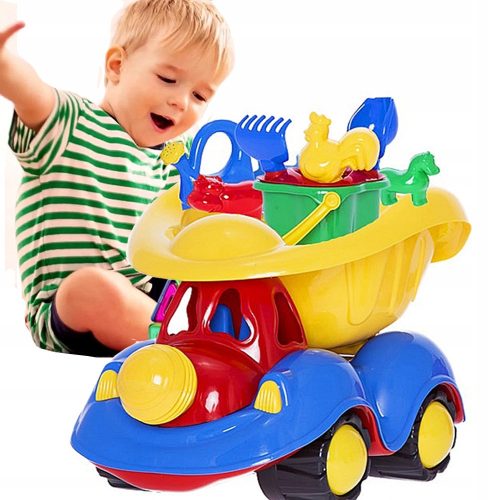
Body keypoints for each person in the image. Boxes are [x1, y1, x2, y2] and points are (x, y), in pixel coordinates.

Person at [0, 0, 234, 356]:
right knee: (90, 288)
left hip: (152, 300)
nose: (182, 102)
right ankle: (192, 350)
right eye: (168, 79)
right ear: (117, 66)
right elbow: (32, 94)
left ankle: (219, 339)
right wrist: (6, 68)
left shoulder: (174, 161)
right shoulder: (72, 124)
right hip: (68, 311)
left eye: (200, 95)